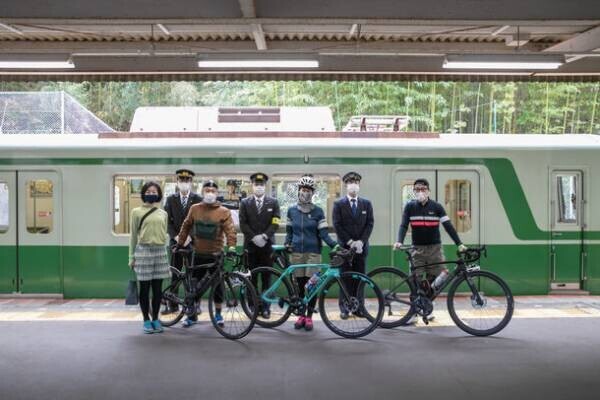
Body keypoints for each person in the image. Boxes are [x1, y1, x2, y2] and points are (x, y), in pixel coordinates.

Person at [394, 178, 467, 323]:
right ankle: (414, 312)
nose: (420, 192)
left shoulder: (437, 207)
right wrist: (399, 241)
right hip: (417, 250)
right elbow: (403, 225)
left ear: (428, 191)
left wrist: (459, 243)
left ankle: (427, 306)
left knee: (438, 278)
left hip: (435, 249)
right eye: (417, 189)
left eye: (423, 189)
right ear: (414, 192)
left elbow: (448, 226)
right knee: (416, 282)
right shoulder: (410, 207)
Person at [176, 180, 237, 328]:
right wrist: (179, 243)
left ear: (217, 194)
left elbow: (230, 231)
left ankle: (218, 314)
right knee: (194, 285)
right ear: (203, 192)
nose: (210, 193)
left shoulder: (224, 211)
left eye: (213, 191)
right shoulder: (195, 209)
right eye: (207, 190)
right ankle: (192, 315)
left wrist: (232, 248)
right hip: (198, 254)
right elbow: (186, 226)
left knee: (218, 287)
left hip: (216, 255)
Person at [285, 175, 339, 332]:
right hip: (296, 254)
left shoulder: (318, 212)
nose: (306, 192)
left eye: (309, 190)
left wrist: (334, 245)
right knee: (300, 287)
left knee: (312, 287)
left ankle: (309, 317)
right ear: (299, 191)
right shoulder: (291, 211)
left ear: (312, 193)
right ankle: (301, 315)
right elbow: (289, 232)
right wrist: (287, 244)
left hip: (313, 253)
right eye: (303, 189)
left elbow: (324, 234)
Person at [128, 181, 170, 334]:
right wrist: (131, 257)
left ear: (158, 195)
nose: (151, 194)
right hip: (143, 251)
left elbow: (164, 234)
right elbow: (133, 236)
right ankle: (146, 320)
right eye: (149, 191)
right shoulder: (136, 212)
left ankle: (156, 319)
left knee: (158, 290)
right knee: (144, 289)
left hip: (160, 251)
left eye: (154, 192)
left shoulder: (163, 214)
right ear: (144, 193)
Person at [332, 171, 374, 319]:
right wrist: (350, 242)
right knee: (344, 278)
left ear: (359, 185)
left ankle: (359, 307)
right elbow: (337, 225)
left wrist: (361, 242)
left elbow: (370, 224)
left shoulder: (366, 204)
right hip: (345, 248)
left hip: (361, 249)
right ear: (346, 185)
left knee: (360, 278)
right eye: (351, 183)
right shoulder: (338, 204)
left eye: (356, 183)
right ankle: (344, 308)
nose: (353, 185)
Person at [239, 172, 281, 319]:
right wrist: (254, 237)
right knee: (251, 278)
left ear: (265, 186)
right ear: (252, 185)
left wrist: (264, 236)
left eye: (261, 184)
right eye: (256, 184)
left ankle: (265, 307)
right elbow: (243, 223)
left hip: (267, 246)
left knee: (267, 278)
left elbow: (276, 222)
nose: (259, 187)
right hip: (250, 246)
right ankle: (252, 306)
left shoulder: (273, 202)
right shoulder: (245, 203)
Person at [162, 169, 201, 314]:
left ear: (191, 182)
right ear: (177, 182)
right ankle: (172, 303)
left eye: (187, 180)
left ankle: (193, 304)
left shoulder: (198, 199)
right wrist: (176, 236)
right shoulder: (171, 199)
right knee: (176, 272)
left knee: (193, 274)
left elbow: (199, 220)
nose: (184, 183)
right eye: (181, 180)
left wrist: (189, 236)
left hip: (191, 241)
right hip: (176, 242)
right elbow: (167, 221)